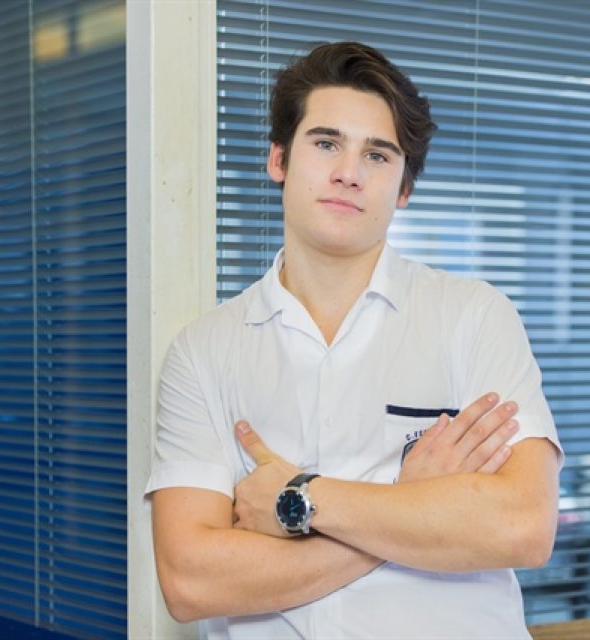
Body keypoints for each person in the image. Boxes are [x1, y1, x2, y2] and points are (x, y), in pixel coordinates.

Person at [145, 41, 562, 639]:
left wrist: (298, 499)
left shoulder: (474, 317)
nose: (348, 172)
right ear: (279, 159)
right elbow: (191, 582)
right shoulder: (204, 352)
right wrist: (411, 503)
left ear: (403, 188)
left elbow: (522, 526)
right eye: (325, 143)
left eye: (377, 154)